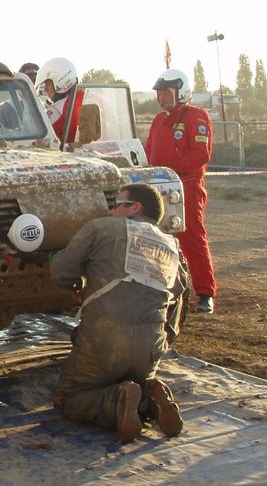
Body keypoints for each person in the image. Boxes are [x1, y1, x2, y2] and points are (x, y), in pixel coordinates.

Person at [51, 183, 185, 443]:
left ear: (135, 207)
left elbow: (61, 271)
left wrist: (77, 285)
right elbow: (177, 298)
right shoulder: (171, 244)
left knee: (69, 399)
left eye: (116, 205)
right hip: (150, 343)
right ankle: (150, 393)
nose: (111, 211)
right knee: (132, 377)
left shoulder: (101, 227)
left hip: (104, 336)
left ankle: (118, 398)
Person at [145, 69, 217, 314]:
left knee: (192, 236)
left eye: (166, 93)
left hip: (185, 185)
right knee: (156, 238)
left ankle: (206, 292)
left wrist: (170, 171)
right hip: (157, 185)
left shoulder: (196, 117)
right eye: (160, 93)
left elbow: (201, 153)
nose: (162, 98)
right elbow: (148, 152)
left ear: (181, 92)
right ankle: (162, 288)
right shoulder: (157, 121)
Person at [35, 57, 84, 144]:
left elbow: (40, 138)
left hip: (73, 156)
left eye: (47, 83)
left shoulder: (59, 108)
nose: (45, 88)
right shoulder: (95, 97)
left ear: (60, 81)